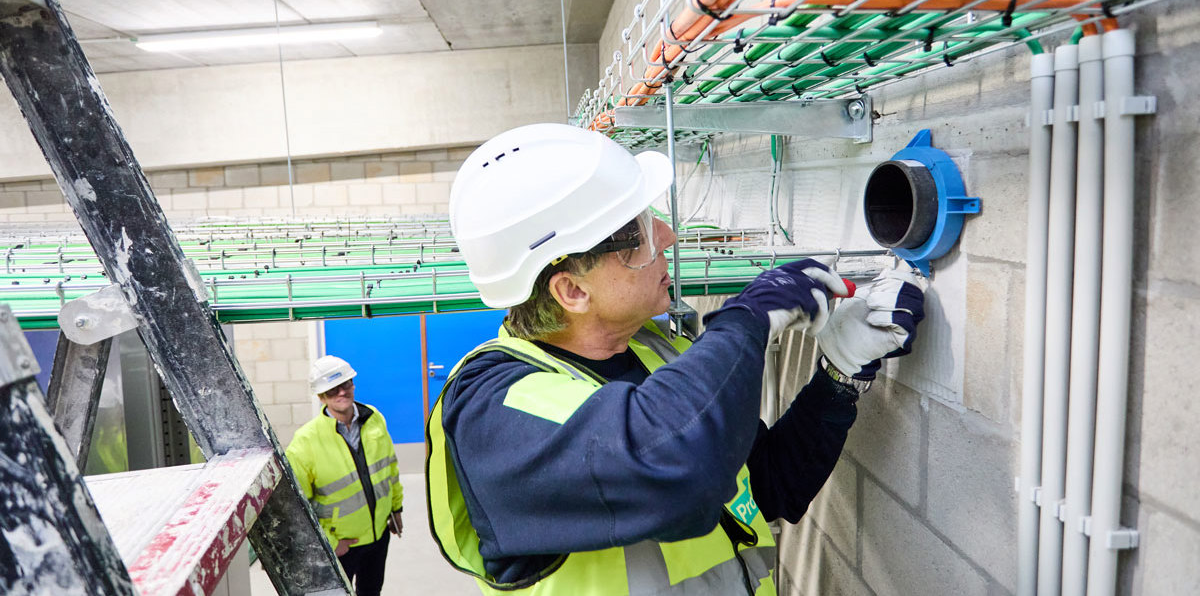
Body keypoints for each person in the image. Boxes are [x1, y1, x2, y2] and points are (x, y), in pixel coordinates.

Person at [427, 123, 925, 595]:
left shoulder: (658, 352)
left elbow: (766, 487)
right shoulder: (491, 414)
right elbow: (675, 470)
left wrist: (837, 374)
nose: (666, 236)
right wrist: (746, 321)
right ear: (573, 289)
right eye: (638, 232)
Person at [286, 355, 404, 596]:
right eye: (331, 390)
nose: (341, 393)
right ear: (321, 397)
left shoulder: (374, 418)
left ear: (353, 384)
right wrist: (330, 542)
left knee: (371, 591)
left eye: (345, 385)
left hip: (379, 535)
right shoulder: (305, 441)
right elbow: (296, 506)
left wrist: (395, 508)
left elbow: (389, 467)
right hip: (343, 545)